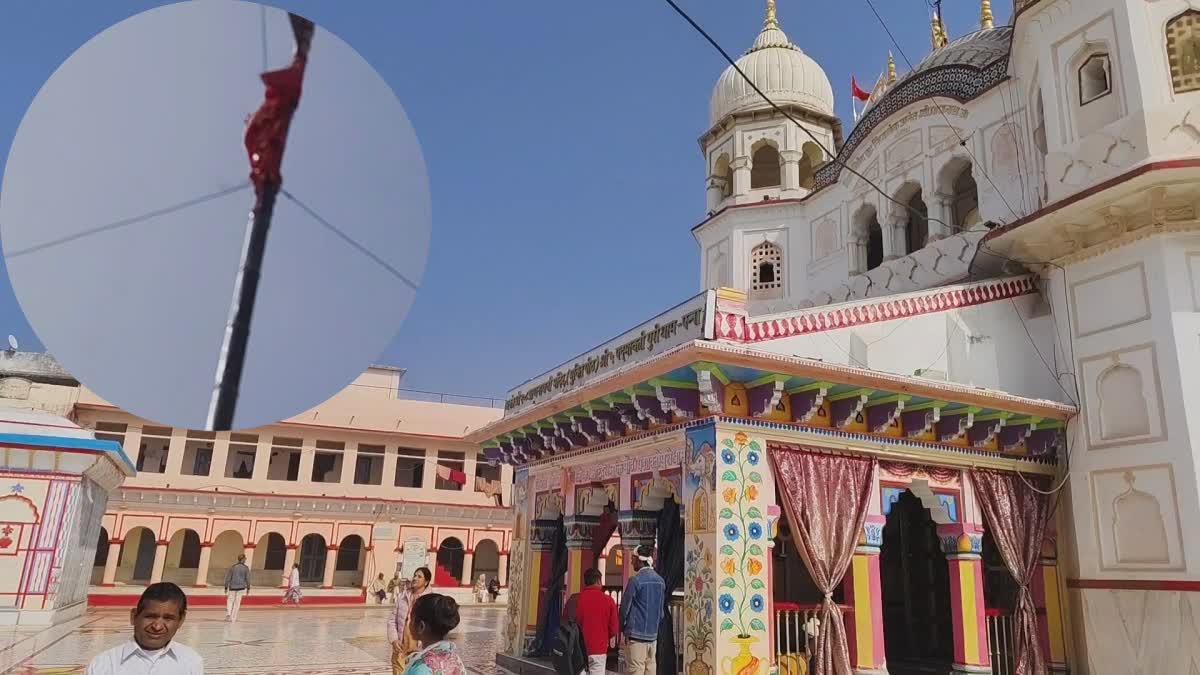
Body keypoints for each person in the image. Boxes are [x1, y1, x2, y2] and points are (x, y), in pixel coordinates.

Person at [85, 582, 203, 674]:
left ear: (180, 621)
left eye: (168, 618)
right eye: (150, 616)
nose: (157, 626)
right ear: (134, 616)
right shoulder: (103, 664)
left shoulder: (191, 661)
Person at [619, 545, 665, 675]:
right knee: (650, 669)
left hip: (636, 636)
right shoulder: (661, 581)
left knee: (636, 670)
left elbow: (625, 607)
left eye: (633, 558)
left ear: (640, 560)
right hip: (653, 636)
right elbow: (661, 613)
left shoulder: (635, 581)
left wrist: (622, 627)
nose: (631, 561)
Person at [402, 593, 465, 675]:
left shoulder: (420, 668)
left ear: (421, 626)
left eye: (410, 619)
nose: (407, 623)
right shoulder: (455, 660)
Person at [388, 566, 432, 675]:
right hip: (400, 646)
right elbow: (392, 620)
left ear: (426, 582)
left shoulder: (430, 600)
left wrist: (423, 645)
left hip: (419, 649)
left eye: (419, 576)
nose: (415, 578)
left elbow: (432, 625)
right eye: (414, 575)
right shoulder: (403, 597)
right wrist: (394, 640)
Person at [574, 568, 619, 675]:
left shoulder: (575, 600)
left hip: (577, 650)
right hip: (598, 649)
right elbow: (614, 629)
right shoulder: (608, 601)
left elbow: (566, 624)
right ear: (599, 581)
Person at [224, 553, 251, 622]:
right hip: (241, 587)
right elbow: (247, 578)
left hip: (232, 586)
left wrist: (226, 587)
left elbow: (228, 577)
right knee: (237, 602)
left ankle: (228, 613)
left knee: (230, 600)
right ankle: (233, 617)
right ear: (243, 559)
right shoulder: (246, 568)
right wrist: (248, 588)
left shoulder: (233, 567)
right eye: (245, 559)